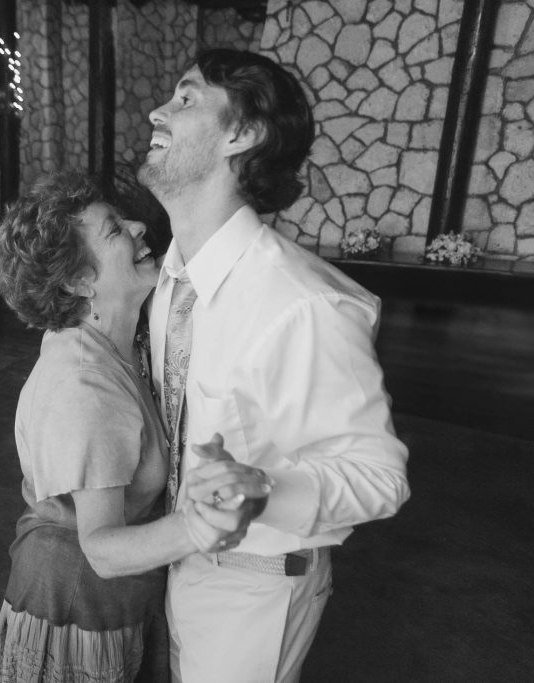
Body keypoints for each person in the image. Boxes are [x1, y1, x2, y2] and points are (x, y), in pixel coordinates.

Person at [138, 48, 411, 682]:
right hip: (178, 560)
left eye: (185, 99)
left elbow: (381, 477)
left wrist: (263, 490)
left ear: (242, 133)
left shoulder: (305, 305)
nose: (157, 111)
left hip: (254, 592)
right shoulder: (171, 280)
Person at [0, 171, 267, 682]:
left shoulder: (118, 342)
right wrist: (203, 525)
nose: (138, 226)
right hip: (78, 599)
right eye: (114, 229)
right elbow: (103, 550)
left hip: (109, 595)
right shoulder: (82, 385)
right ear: (78, 281)